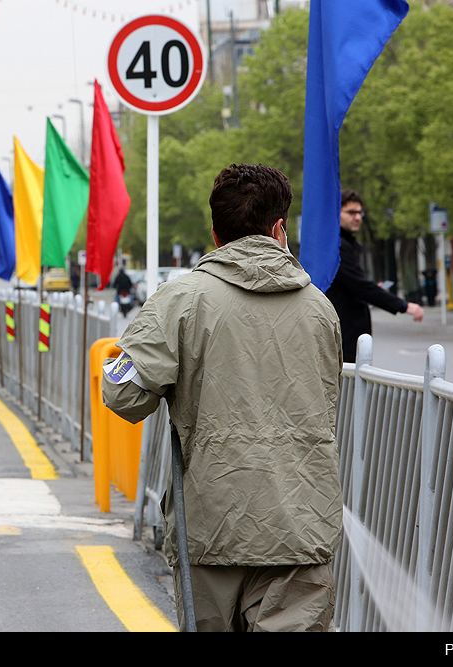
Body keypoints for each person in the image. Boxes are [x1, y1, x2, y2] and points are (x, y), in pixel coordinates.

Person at [102, 164, 343, 632]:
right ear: (279, 228)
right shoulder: (319, 307)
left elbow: (124, 394)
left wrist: (134, 361)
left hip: (212, 528)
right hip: (301, 524)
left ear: (216, 234)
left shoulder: (181, 301)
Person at [326, 189, 424, 363]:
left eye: (359, 213)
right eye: (351, 212)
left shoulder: (342, 243)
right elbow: (360, 287)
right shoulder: (337, 246)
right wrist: (404, 306)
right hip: (344, 339)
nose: (358, 217)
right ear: (336, 213)